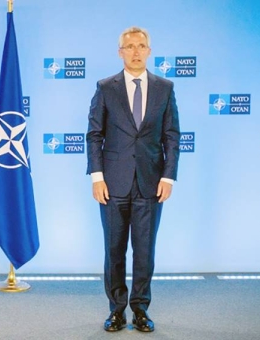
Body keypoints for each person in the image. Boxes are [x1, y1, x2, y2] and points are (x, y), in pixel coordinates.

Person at [86, 26, 180, 333]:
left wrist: (169, 177)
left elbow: (171, 136)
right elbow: (94, 135)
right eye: (130, 46)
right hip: (112, 185)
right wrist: (97, 177)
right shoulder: (105, 87)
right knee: (114, 250)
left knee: (144, 251)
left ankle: (140, 309)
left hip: (151, 185)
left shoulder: (165, 87)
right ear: (120, 52)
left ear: (149, 51)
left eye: (141, 46)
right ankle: (116, 311)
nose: (136, 51)